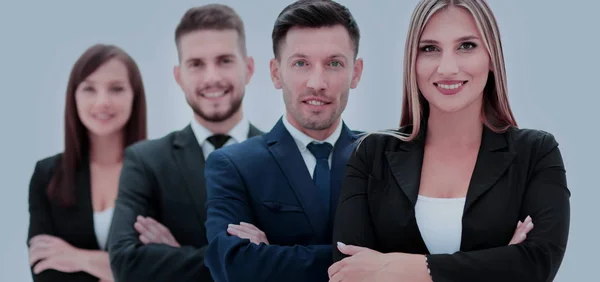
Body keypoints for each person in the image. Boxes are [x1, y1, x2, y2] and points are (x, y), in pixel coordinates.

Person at [329, 0, 571, 281]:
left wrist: (400, 267)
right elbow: (348, 272)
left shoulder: (536, 152)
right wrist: (496, 264)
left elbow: (536, 265)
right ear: (413, 61)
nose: (447, 68)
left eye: (466, 46)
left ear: (492, 57)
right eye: (430, 48)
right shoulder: (372, 153)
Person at [203, 1, 364, 281]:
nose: (317, 82)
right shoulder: (233, 165)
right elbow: (232, 265)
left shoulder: (382, 157)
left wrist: (272, 254)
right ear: (276, 73)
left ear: (356, 72)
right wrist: (365, 263)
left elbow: (408, 253)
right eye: (301, 63)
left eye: (334, 63)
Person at [107, 4, 263, 282]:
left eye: (225, 60)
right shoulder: (145, 162)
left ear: (248, 68)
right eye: (196, 64)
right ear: (179, 76)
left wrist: (175, 257)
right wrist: (253, 259)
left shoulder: (286, 156)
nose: (212, 77)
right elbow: (125, 263)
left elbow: (306, 264)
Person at [27, 44, 147, 282]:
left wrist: (78, 258)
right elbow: (44, 271)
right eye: (89, 89)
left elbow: (167, 270)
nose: (102, 102)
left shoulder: (159, 173)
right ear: (74, 96)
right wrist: (121, 269)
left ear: (134, 96)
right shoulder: (47, 175)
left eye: (116, 89)